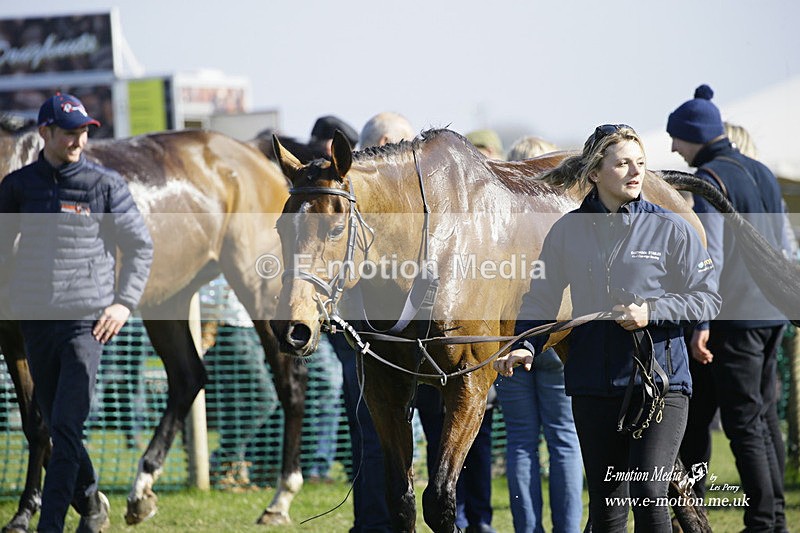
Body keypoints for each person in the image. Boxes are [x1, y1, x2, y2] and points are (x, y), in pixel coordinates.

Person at [494, 124, 720, 532]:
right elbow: (541, 299)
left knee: (649, 499)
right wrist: (527, 345)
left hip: (660, 387)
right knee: (607, 507)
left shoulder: (672, 229)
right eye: (622, 164)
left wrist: (652, 311)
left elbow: (708, 299)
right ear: (595, 173)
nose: (635, 172)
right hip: (593, 387)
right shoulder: (566, 230)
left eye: (640, 163)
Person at [0, 93, 153, 532]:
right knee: (55, 425)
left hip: (88, 326)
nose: (78, 139)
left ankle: (51, 526)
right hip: (35, 323)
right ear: (44, 132)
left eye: (83, 130)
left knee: (64, 427)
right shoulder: (17, 187)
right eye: (69, 131)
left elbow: (140, 246)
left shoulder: (105, 186)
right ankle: (90, 502)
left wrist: (123, 303)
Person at [667, 85, 789, 532]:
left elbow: (710, 257)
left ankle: (761, 522)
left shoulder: (710, 180)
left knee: (742, 425)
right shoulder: (761, 171)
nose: (674, 149)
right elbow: (782, 246)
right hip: (771, 314)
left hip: (732, 318)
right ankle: (773, 519)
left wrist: (701, 321)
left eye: (677, 138)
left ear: (695, 134)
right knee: (761, 420)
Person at [495, 136, 584, 533]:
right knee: (565, 440)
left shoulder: (498, 228)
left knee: (521, 442)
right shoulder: (564, 218)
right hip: (559, 334)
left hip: (510, 340)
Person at [200, 275, 279, 490]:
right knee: (265, 399)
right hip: (234, 329)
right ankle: (225, 458)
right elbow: (212, 289)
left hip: (253, 328)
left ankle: (231, 471)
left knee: (237, 405)